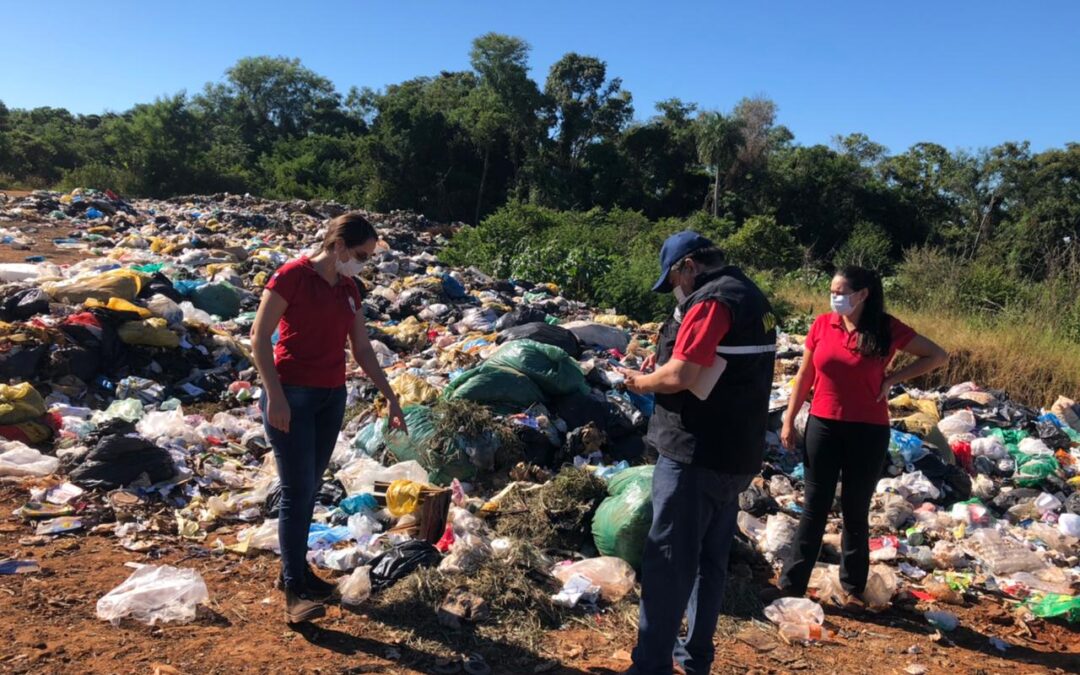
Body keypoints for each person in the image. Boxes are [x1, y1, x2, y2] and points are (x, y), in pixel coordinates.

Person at [620, 230, 778, 675]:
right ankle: (695, 660)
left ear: (689, 266)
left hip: (696, 455)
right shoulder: (751, 294)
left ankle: (650, 666)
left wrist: (641, 383)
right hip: (737, 454)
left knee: (668, 562)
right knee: (710, 562)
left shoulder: (712, 300)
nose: (675, 288)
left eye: (674, 278)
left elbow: (685, 374)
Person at [251, 213, 407, 624]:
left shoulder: (350, 289)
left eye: (368, 258)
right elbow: (259, 337)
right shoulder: (292, 277)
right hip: (292, 395)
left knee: (310, 486)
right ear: (337, 245)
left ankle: (299, 571)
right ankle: (293, 590)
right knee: (296, 489)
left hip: (330, 397)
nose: (363, 264)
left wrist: (390, 396)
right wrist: (275, 395)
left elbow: (362, 347)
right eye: (359, 254)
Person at [761, 266, 947, 606]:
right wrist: (788, 418)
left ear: (863, 295)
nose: (835, 297)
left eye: (842, 292)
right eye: (832, 290)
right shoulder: (822, 324)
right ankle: (791, 584)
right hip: (823, 424)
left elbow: (937, 355)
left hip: (868, 429)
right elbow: (805, 374)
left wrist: (893, 380)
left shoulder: (886, 328)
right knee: (814, 507)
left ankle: (853, 586)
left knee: (855, 508)